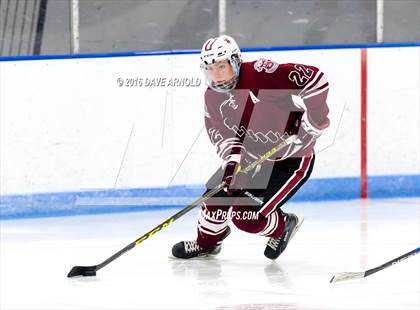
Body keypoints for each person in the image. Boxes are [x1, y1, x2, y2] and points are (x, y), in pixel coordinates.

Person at [172, 35, 330, 260]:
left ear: (235, 61)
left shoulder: (262, 73)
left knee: (246, 217)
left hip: (291, 159)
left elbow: (315, 79)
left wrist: (315, 119)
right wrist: (233, 161)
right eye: (209, 68)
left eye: (221, 66)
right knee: (215, 199)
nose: (215, 75)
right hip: (252, 158)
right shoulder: (212, 97)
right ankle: (207, 243)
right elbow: (221, 134)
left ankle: (285, 225)